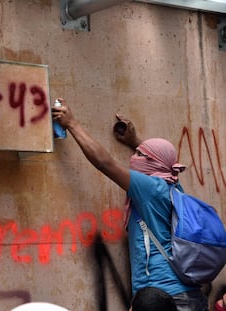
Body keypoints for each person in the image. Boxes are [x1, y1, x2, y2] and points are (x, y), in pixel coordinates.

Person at [51, 99, 208, 311]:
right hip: (189, 296)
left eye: (139, 154)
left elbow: (104, 163)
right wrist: (136, 142)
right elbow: (157, 162)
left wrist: (72, 124)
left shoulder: (150, 188)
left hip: (163, 298)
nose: (134, 157)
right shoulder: (172, 184)